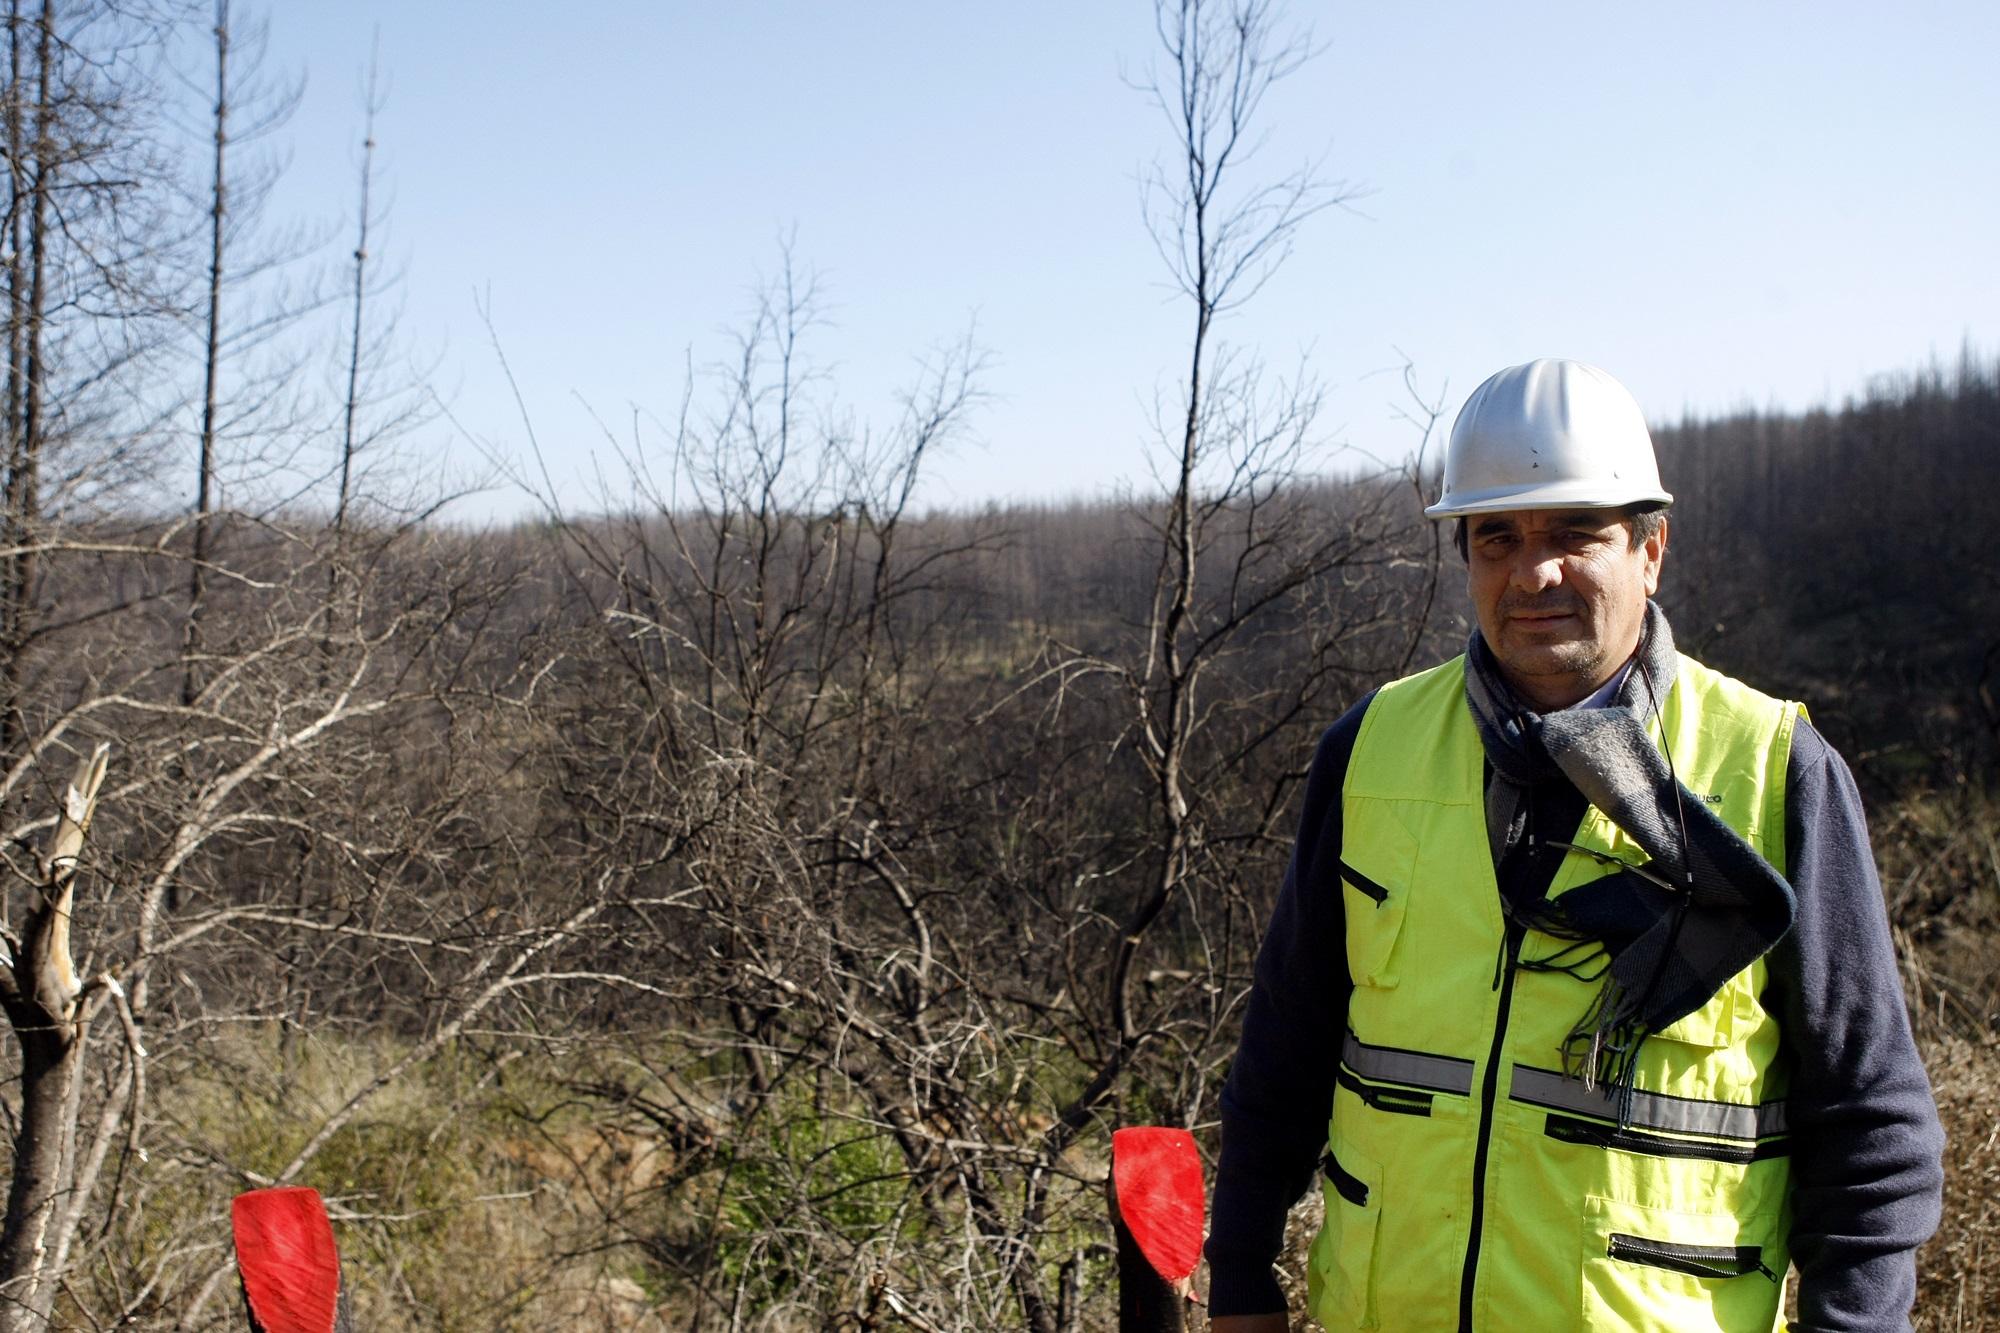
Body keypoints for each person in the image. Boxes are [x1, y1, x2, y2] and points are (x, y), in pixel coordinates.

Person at [1205, 359, 1945, 1332]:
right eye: (1495, 537)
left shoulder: (1774, 772)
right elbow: (1284, 1054)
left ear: (1649, 550)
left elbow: (1868, 1126)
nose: (1531, 571)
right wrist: (1239, 1277)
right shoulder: (1367, 750)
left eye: (1571, 533)